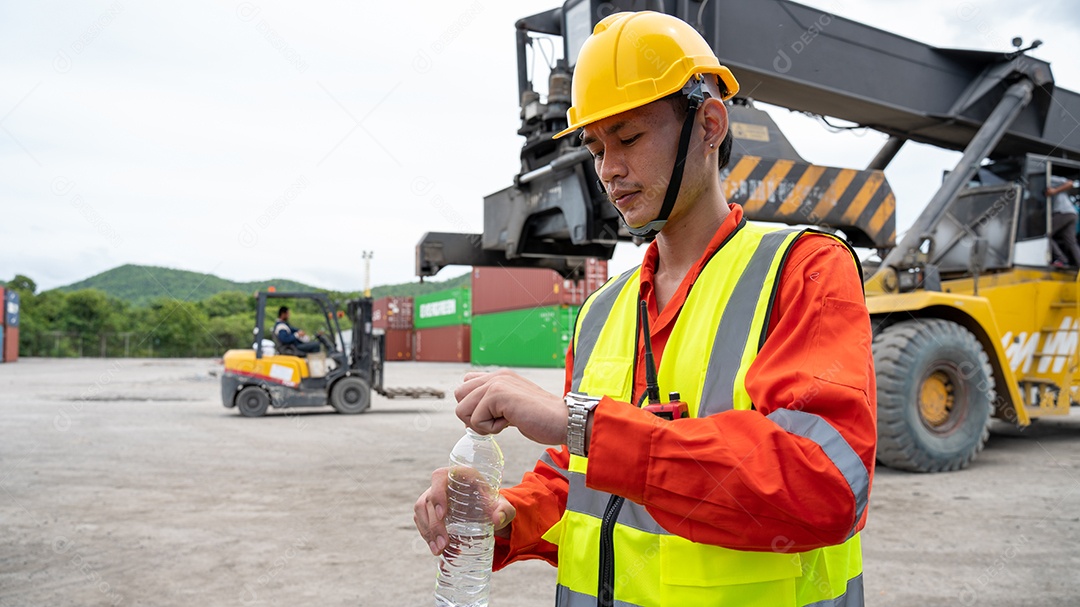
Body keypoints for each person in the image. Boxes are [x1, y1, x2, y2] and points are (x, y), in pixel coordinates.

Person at [415, 11, 876, 606]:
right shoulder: (604, 309)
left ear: (709, 125)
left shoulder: (803, 268)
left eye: (629, 138)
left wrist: (579, 421)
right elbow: (582, 479)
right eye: (596, 146)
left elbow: (822, 485)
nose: (608, 168)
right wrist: (508, 513)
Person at [1046, 175, 1080, 267]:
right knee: (1070, 241)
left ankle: (1061, 259)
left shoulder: (1048, 178)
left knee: (1045, 235)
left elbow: (1070, 183)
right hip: (1071, 213)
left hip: (1062, 211)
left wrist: (1054, 191)